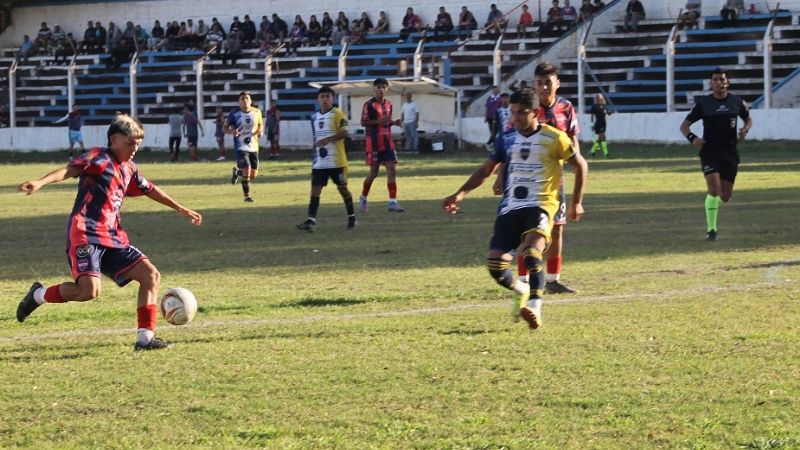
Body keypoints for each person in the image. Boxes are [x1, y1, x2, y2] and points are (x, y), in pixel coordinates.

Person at [16, 114, 203, 351]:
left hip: (113, 237)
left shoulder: (129, 168)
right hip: (86, 233)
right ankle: (38, 295)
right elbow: (69, 170)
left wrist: (180, 208)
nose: (135, 148)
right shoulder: (98, 158)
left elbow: (150, 189)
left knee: (151, 276)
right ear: (114, 139)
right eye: (130, 143)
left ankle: (145, 339)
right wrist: (40, 182)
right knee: (88, 292)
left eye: (138, 144)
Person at [442, 90, 587, 330]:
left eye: (521, 112)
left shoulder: (555, 138)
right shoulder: (507, 137)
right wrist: (460, 193)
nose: (515, 117)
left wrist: (576, 201)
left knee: (531, 252)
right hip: (510, 206)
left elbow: (580, 164)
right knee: (496, 265)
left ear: (536, 113)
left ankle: (535, 306)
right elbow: (486, 170)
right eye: (512, 112)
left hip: (541, 205)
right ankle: (521, 289)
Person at [679, 68, 751, 241]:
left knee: (725, 196)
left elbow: (748, 119)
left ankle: (711, 205)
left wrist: (745, 129)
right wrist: (692, 138)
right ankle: (711, 230)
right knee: (714, 189)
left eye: (721, 79)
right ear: (711, 83)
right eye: (715, 80)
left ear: (727, 82)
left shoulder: (737, 102)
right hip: (710, 151)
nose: (719, 82)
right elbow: (684, 126)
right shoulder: (703, 104)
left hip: (730, 152)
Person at [297, 86, 357, 232]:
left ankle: (351, 216)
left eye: (327, 96)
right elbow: (316, 138)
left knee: (343, 189)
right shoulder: (314, 117)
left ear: (332, 99)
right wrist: (314, 153)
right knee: (315, 190)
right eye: (322, 96)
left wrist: (329, 139)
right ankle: (311, 221)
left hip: (337, 162)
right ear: (318, 99)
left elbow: (345, 133)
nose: (325, 99)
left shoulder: (338, 114)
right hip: (320, 163)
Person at [360, 77, 404, 213]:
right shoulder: (369, 105)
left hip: (387, 142)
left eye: (383, 87)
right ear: (374, 89)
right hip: (373, 143)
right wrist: (379, 121)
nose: (381, 89)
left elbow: (386, 122)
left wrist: (393, 122)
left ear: (387, 89)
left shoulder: (389, 104)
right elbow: (363, 122)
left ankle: (393, 202)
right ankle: (363, 197)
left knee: (392, 169)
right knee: (374, 173)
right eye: (378, 87)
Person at [225, 91, 263, 203]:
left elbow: (260, 124)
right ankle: (247, 196)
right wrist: (232, 131)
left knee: (253, 175)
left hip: (254, 147)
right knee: (247, 168)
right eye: (242, 99)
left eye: (247, 98)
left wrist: (260, 131)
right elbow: (224, 128)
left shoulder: (257, 112)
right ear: (239, 101)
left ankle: (237, 172)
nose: (245, 100)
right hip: (241, 146)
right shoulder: (234, 113)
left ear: (250, 101)